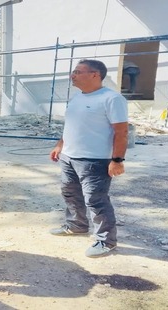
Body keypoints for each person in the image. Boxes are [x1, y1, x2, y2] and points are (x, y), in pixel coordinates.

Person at [49, 59, 128, 258]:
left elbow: (121, 131)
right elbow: (71, 126)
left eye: (77, 71)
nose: (72, 75)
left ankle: (106, 241)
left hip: (95, 160)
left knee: (96, 200)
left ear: (95, 75)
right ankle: (76, 225)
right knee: (70, 193)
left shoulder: (111, 99)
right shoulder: (77, 98)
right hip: (69, 157)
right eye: (73, 72)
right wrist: (60, 145)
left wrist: (117, 160)